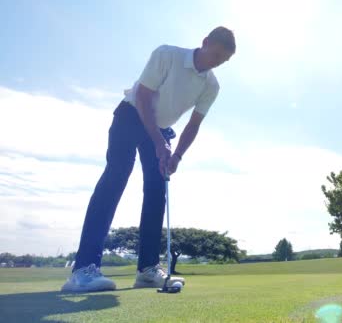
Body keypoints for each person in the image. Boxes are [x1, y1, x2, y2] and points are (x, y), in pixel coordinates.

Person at [61, 27, 235, 292]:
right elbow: (143, 97)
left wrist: (176, 155)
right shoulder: (167, 55)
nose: (216, 63)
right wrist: (158, 143)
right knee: (116, 177)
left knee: (156, 190)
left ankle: (147, 269)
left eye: (223, 61)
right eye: (215, 55)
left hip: (162, 129)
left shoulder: (211, 85)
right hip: (131, 116)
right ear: (205, 42)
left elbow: (193, 124)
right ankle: (83, 269)